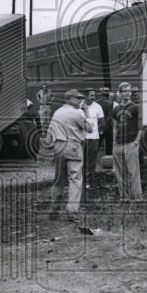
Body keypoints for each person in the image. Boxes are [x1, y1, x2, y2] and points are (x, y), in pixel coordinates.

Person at [46, 89, 92, 221]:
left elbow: (50, 132)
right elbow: (89, 128)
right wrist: (87, 112)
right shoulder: (76, 113)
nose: (80, 101)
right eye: (78, 98)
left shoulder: (57, 112)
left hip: (59, 146)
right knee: (75, 179)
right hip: (73, 145)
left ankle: (53, 210)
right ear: (70, 99)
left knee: (59, 179)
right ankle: (72, 211)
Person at [111, 82, 144, 202]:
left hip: (131, 143)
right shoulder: (116, 109)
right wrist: (114, 142)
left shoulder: (135, 107)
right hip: (118, 144)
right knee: (120, 174)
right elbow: (115, 126)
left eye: (129, 91)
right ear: (119, 93)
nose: (127, 93)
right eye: (125, 91)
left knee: (134, 172)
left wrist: (137, 141)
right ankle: (124, 197)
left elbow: (142, 126)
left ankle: (137, 198)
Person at [82, 89, 105, 189]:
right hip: (81, 139)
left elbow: (102, 122)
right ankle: (81, 182)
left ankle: (89, 182)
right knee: (81, 160)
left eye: (94, 95)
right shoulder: (79, 106)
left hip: (94, 138)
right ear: (85, 96)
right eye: (91, 95)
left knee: (91, 161)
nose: (93, 97)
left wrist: (94, 130)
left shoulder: (97, 107)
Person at [97, 86, 114, 167]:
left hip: (99, 126)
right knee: (109, 145)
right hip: (108, 127)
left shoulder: (97, 103)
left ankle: (93, 161)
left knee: (97, 144)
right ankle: (108, 162)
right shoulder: (111, 103)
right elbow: (110, 117)